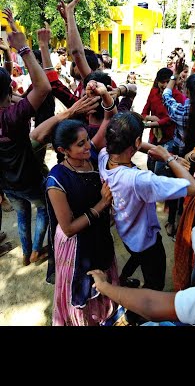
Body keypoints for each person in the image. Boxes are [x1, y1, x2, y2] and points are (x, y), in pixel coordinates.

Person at [99, 111, 195, 292]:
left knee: (135, 255)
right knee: (155, 282)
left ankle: (123, 278)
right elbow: (193, 187)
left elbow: (131, 144)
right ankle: (142, 309)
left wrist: (163, 153)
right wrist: (168, 158)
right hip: (147, 241)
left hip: (127, 231)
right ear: (136, 142)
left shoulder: (103, 155)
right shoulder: (140, 180)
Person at [44, 81, 118, 325]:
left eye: (87, 139)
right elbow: (68, 228)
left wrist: (104, 95)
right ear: (63, 150)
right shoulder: (57, 180)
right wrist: (101, 206)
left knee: (103, 280)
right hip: (76, 248)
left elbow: (109, 120)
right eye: (81, 144)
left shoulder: (91, 154)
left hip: (98, 236)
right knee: (83, 291)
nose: (88, 146)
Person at [0, 9, 52, 266]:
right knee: (42, 207)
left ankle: (25, 254)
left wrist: (11, 29)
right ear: (9, 88)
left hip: (6, 182)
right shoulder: (13, 115)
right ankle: (35, 252)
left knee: (21, 214)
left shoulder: (12, 110)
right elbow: (43, 87)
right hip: (28, 178)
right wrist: (23, 48)